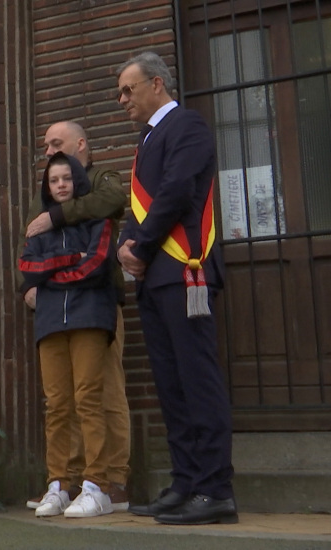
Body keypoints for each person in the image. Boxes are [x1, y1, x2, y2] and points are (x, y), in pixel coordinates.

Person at [115, 52, 237, 525]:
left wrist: (139, 248)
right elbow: (139, 205)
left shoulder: (186, 126)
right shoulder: (147, 140)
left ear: (157, 84)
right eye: (120, 92)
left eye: (128, 89)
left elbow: (177, 190)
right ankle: (186, 482)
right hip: (155, 280)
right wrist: (128, 246)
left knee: (197, 381)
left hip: (185, 273)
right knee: (171, 386)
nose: (122, 99)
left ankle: (215, 489)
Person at [17, 122, 130, 514]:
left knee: (102, 392)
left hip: (96, 305)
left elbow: (112, 203)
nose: (48, 151)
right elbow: (30, 246)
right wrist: (31, 282)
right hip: (53, 309)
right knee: (62, 400)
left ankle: (111, 481)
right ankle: (68, 481)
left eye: (56, 144)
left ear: (81, 144)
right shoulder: (43, 191)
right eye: (47, 147)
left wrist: (60, 217)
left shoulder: (103, 179)